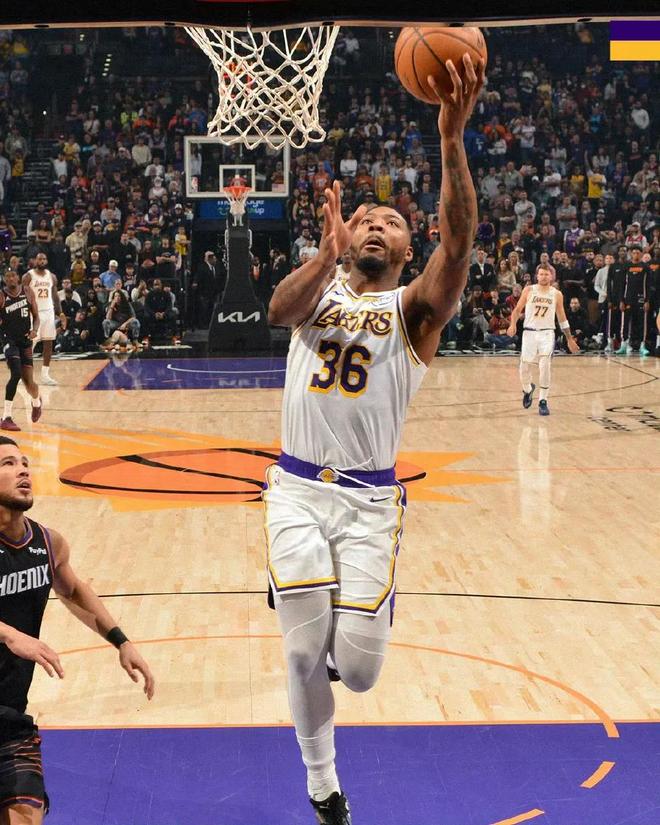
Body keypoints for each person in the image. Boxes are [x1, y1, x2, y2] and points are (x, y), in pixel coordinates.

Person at [264, 55, 484, 824]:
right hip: (295, 488)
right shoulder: (316, 290)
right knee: (300, 651)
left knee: (356, 672)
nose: (373, 225)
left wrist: (449, 138)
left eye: (389, 222)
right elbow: (276, 310)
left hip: (368, 502)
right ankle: (323, 786)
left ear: (406, 248)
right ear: (345, 234)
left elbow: (460, 245)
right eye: (362, 219)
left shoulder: (413, 312)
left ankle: (365, 615)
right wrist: (324, 257)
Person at [0, 436, 155, 821]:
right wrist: (9, 634)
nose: (23, 470)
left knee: (25, 814)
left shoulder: (46, 543)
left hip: (9, 718)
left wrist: (121, 641)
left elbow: (73, 589)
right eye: (8, 463)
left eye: (24, 462)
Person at [507, 265, 579, 415]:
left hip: (547, 333)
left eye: (547, 274)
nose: (544, 277)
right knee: (524, 367)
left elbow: (562, 318)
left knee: (545, 365)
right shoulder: (529, 290)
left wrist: (569, 339)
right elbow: (517, 310)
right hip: (529, 332)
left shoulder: (556, 294)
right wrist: (512, 324)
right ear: (537, 276)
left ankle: (543, 401)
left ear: (551, 276)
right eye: (541, 274)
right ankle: (528, 389)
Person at [0, 271, 42, 432]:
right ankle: (6, 417)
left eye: (13, 276)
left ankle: (36, 402)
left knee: (29, 383)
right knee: (16, 373)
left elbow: (36, 316)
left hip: (25, 340)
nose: (11, 278)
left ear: (18, 278)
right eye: (7, 276)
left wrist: (35, 330)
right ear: (4, 280)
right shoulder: (2, 295)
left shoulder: (28, 292)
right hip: (9, 340)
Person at [21, 254, 65, 387]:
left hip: (48, 312)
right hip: (34, 313)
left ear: (47, 261)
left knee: (48, 343)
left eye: (44, 259)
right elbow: (22, 296)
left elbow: (55, 296)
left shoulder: (52, 276)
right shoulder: (28, 276)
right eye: (39, 259)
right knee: (30, 344)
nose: (42, 261)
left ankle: (45, 375)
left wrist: (60, 313)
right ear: (35, 261)